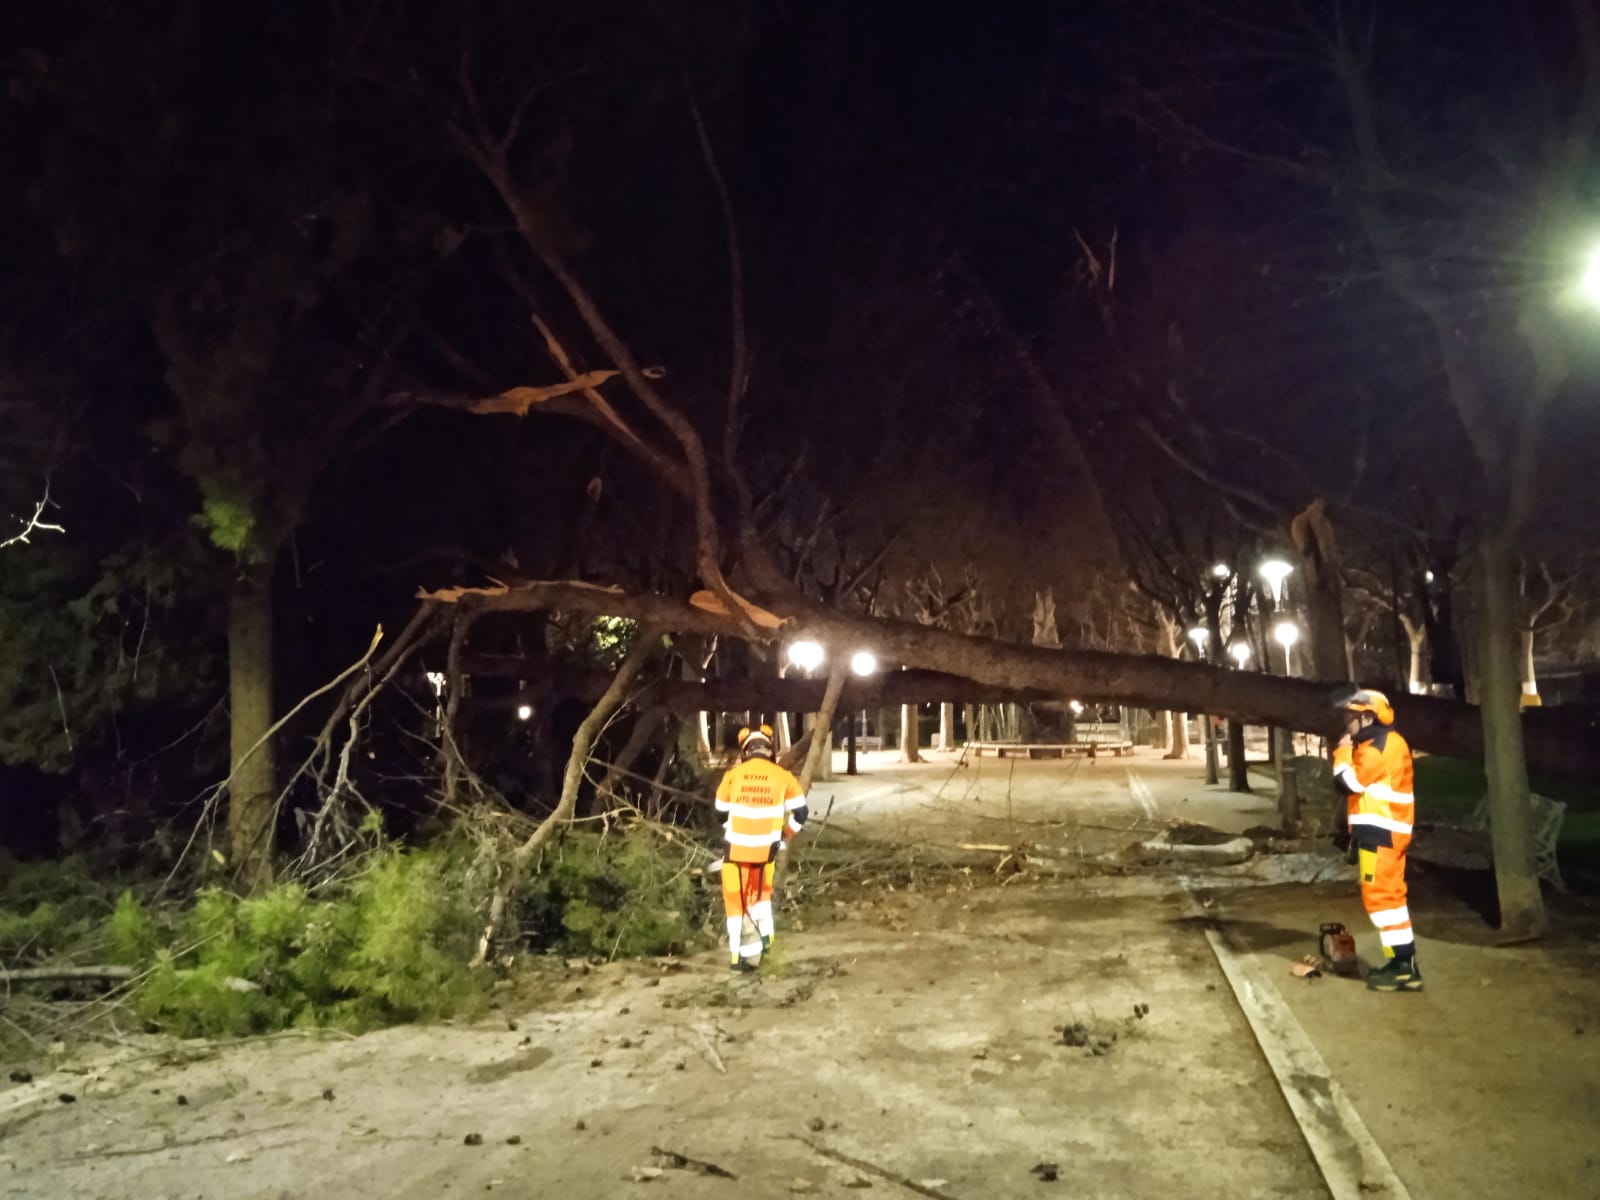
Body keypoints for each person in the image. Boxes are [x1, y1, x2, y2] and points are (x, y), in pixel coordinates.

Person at [1332, 688, 1421, 992]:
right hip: (1384, 833)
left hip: (1381, 835)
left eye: (1351, 718)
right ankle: (1402, 963)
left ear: (1367, 717)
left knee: (1381, 901)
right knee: (1391, 900)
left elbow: (1346, 783)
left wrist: (1342, 751)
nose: (1347, 724)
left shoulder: (1378, 748)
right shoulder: (1382, 743)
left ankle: (1402, 968)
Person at [713, 724, 808, 972]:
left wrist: (731, 828)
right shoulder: (783, 776)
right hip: (766, 853)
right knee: (760, 898)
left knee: (736, 903)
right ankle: (766, 943)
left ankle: (738, 957)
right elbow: (801, 813)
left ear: (745, 751)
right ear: (769, 750)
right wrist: (786, 835)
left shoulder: (733, 776)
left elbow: (720, 813)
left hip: (735, 852)